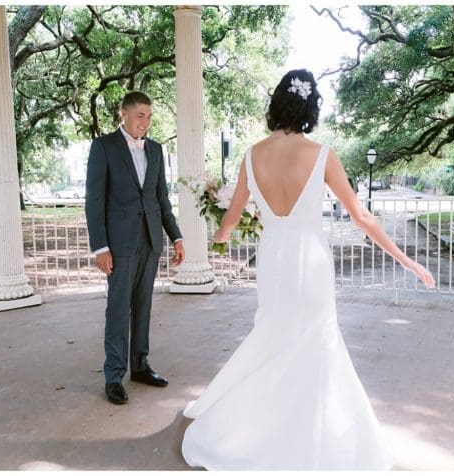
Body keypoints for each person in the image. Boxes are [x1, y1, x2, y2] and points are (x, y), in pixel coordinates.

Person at [180, 69, 436, 470]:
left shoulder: (252, 154)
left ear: (277, 103)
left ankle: (260, 431)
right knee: (316, 342)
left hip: (273, 259)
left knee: (272, 335)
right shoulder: (322, 155)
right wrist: (405, 258)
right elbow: (362, 217)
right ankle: (309, 439)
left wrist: (214, 242)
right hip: (311, 261)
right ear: (310, 107)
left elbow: (229, 221)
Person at [85, 91, 186, 405]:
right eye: (140, 114)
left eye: (149, 115)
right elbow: (94, 200)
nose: (145, 121)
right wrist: (100, 247)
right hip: (120, 243)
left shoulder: (155, 149)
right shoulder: (103, 147)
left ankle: (140, 365)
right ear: (124, 114)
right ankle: (114, 375)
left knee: (143, 306)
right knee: (118, 309)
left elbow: (161, 198)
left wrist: (176, 237)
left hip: (150, 239)